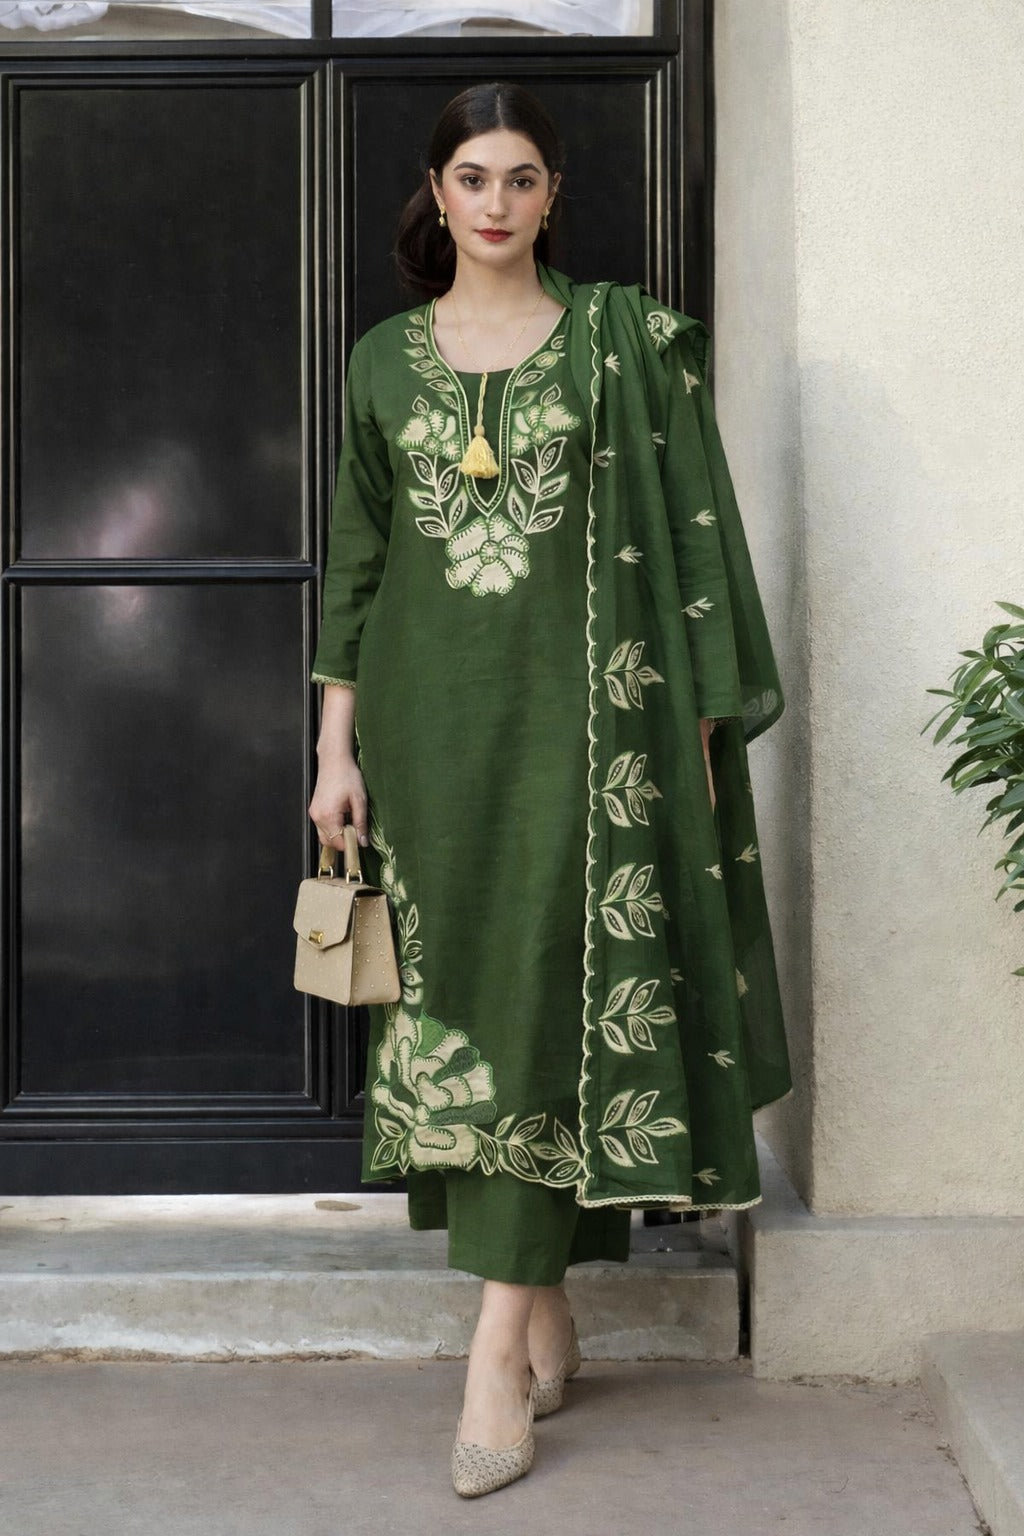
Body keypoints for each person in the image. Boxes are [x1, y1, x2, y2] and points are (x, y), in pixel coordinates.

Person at [308, 80, 792, 1498]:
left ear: (551, 195)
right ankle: (547, 1304)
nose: (497, 203)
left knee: (545, 997)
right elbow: (358, 562)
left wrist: (696, 723)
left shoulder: (621, 343)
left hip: (592, 733)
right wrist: (336, 751)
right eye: (474, 178)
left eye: (521, 178)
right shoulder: (383, 361)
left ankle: (490, 1357)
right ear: (437, 192)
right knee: (465, 1017)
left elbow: (692, 535)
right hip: (429, 739)